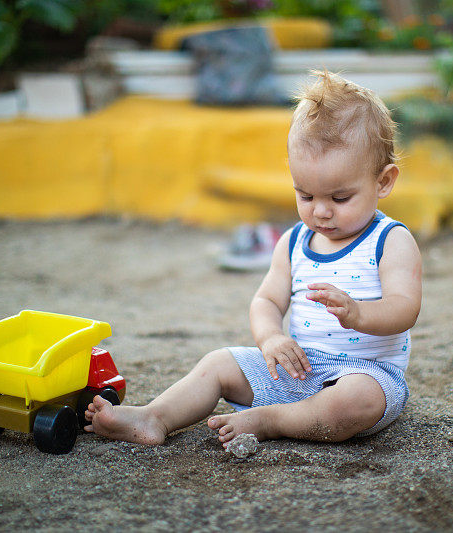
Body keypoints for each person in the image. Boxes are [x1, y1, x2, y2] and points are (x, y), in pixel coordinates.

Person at [84, 70, 423, 446]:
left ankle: (271, 420)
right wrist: (271, 339)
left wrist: (359, 314)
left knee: (355, 401)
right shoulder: (294, 242)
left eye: (339, 198)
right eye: (306, 196)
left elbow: (404, 308)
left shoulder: (390, 240)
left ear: (384, 181)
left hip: (366, 374)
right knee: (218, 363)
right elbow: (267, 300)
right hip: (298, 369)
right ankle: (154, 417)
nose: (321, 212)